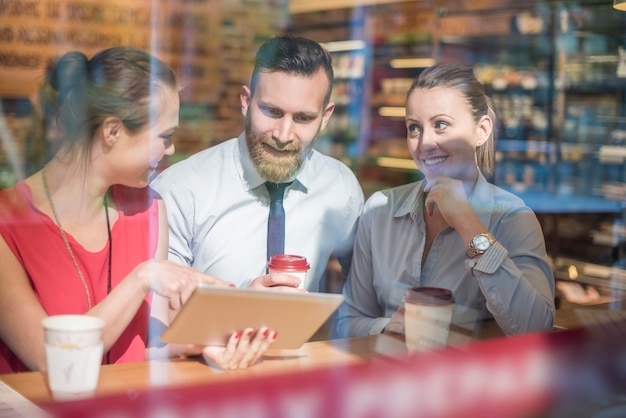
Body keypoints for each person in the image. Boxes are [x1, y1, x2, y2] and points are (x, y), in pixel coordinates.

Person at [0, 46, 276, 374]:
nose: (170, 149)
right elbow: (51, 360)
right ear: (112, 131)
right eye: (165, 136)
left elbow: (142, 349)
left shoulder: (150, 210)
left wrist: (207, 343)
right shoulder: (9, 223)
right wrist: (142, 278)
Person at [335, 64, 555, 338]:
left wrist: (468, 225)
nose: (425, 142)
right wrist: (387, 327)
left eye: (441, 125)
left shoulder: (512, 218)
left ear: (482, 130)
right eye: (414, 128)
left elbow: (536, 329)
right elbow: (348, 321)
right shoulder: (380, 210)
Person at [151, 36, 364, 292]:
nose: (284, 135)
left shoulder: (340, 187)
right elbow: (158, 313)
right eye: (272, 112)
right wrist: (240, 308)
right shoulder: (181, 190)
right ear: (246, 102)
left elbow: (361, 300)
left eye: (303, 118)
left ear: (326, 116)